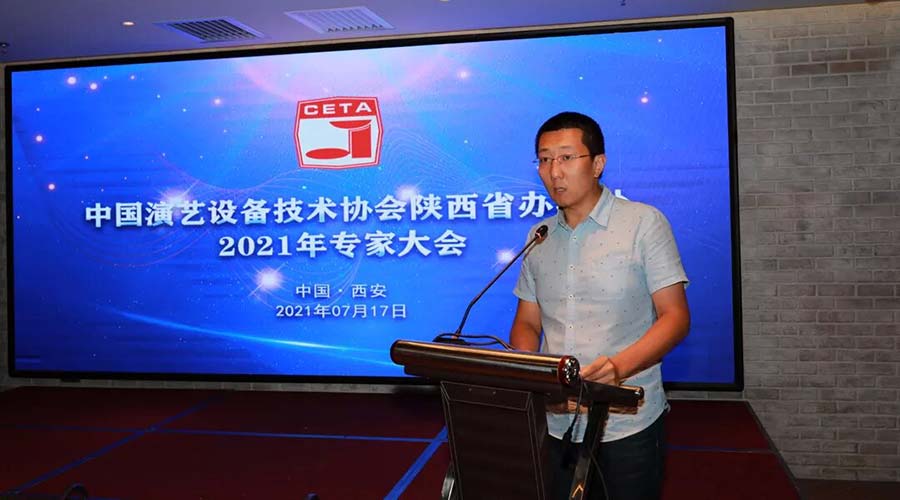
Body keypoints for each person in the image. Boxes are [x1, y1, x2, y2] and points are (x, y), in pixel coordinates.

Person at [510, 111, 690, 500]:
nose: (554, 172)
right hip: (557, 422)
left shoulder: (643, 223)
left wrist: (617, 368)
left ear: (597, 164)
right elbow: (527, 322)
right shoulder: (539, 236)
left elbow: (675, 317)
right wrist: (530, 372)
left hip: (627, 423)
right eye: (544, 159)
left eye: (566, 157)